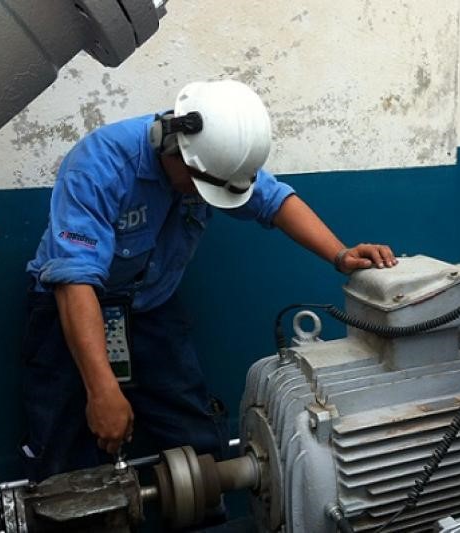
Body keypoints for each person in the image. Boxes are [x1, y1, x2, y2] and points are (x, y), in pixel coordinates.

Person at [21, 79, 397, 481]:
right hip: (76, 308)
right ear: (176, 151)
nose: (202, 196)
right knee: (63, 454)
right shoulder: (98, 166)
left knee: (195, 444)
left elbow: (273, 201)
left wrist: (340, 255)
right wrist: (101, 389)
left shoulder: (218, 156)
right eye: (200, 187)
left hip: (152, 307)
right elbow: (75, 280)